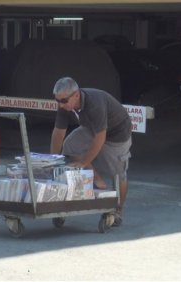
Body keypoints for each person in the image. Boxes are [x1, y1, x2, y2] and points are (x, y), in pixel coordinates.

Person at [49, 77, 132, 226]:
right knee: (70, 145)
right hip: (92, 127)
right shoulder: (65, 105)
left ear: (76, 95)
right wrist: (52, 160)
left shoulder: (95, 103)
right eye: (57, 101)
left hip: (117, 132)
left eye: (63, 101)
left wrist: (84, 162)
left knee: (118, 172)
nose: (60, 105)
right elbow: (58, 132)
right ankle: (95, 177)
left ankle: (117, 210)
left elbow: (100, 138)